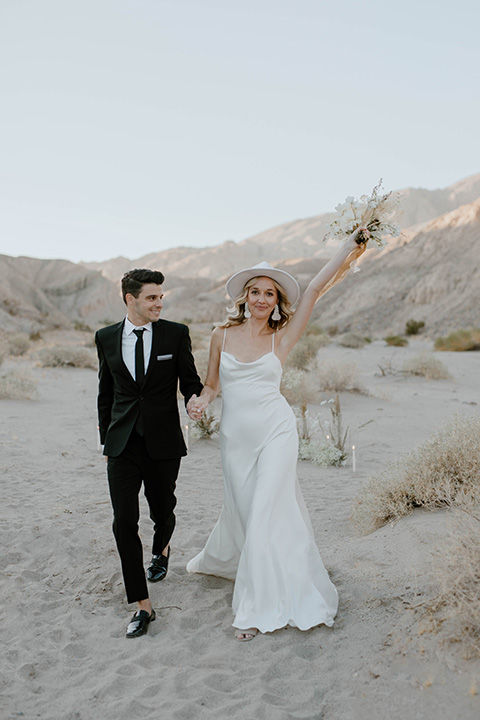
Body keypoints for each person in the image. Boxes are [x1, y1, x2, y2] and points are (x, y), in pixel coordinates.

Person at [186, 232, 367, 640]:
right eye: (255, 291)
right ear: (244, 297)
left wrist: (349, 247)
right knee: (250, 514)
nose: (261, 299)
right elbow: (212, 385)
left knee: (268, 509)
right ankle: (256, 565)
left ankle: (254, 609)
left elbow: (316, 288)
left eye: (269, 293)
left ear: (277, 300)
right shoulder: (221, 335)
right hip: (235, 440)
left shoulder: (281, 338)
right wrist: (199, 402)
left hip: (276, 433)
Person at [95, 268, 203, 638]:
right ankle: (142, 605)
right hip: (122, 443)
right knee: (124, 521)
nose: (160, 302)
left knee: (162, 511)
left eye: (161, 296)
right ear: (131, 300)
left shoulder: (176, 334)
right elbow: (105, 394)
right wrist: (105, 441)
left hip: (162, 442)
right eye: (152, 297)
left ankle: (163, 547)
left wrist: (193, 401)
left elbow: (190, 381)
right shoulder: (106, 337)